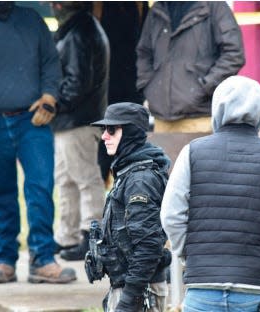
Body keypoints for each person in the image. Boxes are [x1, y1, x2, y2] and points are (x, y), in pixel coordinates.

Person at [0, 1, 76, 284]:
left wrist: (49, 97)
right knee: (0, 192)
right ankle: (5, 259)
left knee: (40, 188)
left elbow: (50, 63)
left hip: (32, 120)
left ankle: (43, 258)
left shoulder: (32, 21)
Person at [161, 76, 260, 311]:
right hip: (257, 290)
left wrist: (191, 255)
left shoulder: (192, 153)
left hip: (202, 289)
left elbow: (171, 215)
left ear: (216, 109)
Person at [89, 102, 171, 312]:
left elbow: (148, 246)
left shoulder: (140, 180)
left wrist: (128, 299)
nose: (104, 136)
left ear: (130, 133)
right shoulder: (128, 170)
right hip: (131, 288)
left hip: (139, 292)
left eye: (111, 130)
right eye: (104, 129)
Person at [50, 2, 109, 261]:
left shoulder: (80, 33)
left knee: (85, 178)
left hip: (78, 120)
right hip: (72, 120)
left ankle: (91, 236)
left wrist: (55, 104)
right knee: (66, 179)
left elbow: (77, 82)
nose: (53, 6)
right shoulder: (80, 30)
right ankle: (68, 236)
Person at [136, 1, 245, 133]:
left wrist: (204, 87)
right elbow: (144, 52)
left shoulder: (215, 6)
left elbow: (234, 54)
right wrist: (149, 87)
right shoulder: (158, 8)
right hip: (161, 120)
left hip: (201, 119)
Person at [92, 2, 148, 187]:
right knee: (105, 143)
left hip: (131, 85)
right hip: (106, 85)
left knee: (129, 142)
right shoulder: (100, 6)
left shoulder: (140, 6)